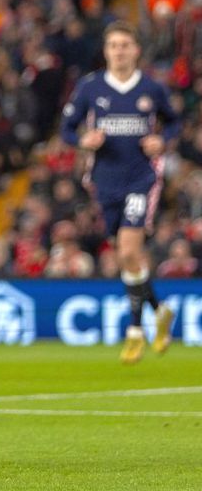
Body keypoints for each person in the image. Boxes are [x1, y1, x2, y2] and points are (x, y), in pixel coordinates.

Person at [61, 21, 179, 364]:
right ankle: (159, 309)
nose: (119, 51)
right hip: (104, 180)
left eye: (125, 45)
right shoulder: (91, 87)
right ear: (106, 50)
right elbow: (67, 128)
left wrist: (162, 140)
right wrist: (83, 140)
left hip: (141, 178)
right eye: (114, 45)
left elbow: (173, 121)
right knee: (127, 257)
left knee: (129, 249)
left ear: (136, 50)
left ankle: (135, 330)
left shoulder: (152, 88)